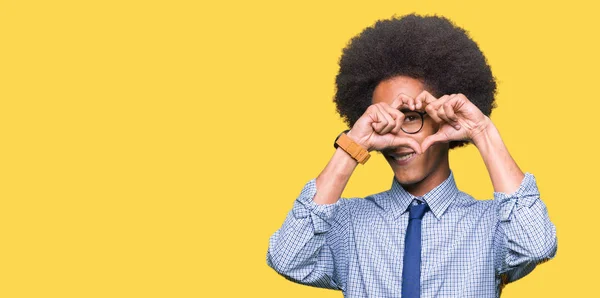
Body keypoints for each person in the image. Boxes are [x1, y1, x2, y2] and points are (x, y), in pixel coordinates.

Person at [266, 13, 557, 298]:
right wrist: (354, 144)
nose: (396, 137)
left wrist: (482, 131)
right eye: (384, 119)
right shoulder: (347, 224)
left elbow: (536, 245)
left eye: (410, 117)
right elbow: (288, 258)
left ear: (444, 118)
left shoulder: (491, 223)